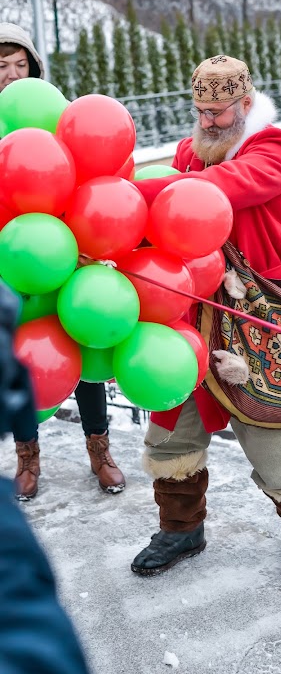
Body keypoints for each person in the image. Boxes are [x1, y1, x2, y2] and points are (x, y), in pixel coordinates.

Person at [132, 55, 281, 577]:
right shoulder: (187, 152)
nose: (208, 121)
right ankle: (179, 531)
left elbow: (215, 190)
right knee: (171, 424)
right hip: (191, 311)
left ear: (246, 104)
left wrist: (128, 193)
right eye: (201, 110)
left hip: (264, 314)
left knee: (268, 436)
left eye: (220, 111)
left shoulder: (275, 148)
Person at [0, 22, 125, 498]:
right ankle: (27, 458)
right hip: (13, 263)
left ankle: (101, 450)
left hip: (67, 253)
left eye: (21, 64)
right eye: (2, 67)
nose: (13, 75)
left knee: (83, 350)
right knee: (23, 360)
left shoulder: (59, 117)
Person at [0, 280, 90, 674]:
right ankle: (28, 460)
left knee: (86, 364)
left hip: (78, 280)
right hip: (23, 277)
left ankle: (99, 451)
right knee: (33, 355)